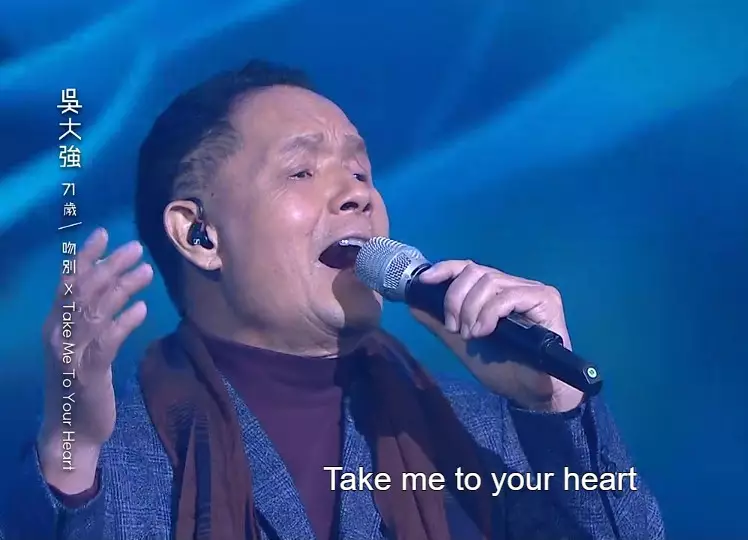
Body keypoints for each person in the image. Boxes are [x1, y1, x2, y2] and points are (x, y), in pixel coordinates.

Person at [1, 61, 663, 540]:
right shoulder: (108, 453)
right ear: (201, 235)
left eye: (361, 172)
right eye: (302, 170)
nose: (358, 196)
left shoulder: (481, 430)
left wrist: (554, 413)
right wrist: (69, 452)